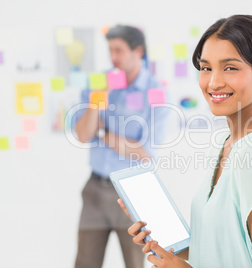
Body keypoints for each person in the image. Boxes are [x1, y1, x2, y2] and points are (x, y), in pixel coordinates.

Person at [118, 14, 252, 268]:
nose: (213, 82)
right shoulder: (227, 144)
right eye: (206, 68)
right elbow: (223, 250)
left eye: (230, 67)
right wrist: (165, 242)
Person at [72, 25, 169, 268]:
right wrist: (99, 97)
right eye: (110, 50)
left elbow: (144, 152)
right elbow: (83, 134)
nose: (113, 57)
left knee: (135, 263)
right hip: (94, 190)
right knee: (84, 263)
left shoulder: (156, 92)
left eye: (118, 50)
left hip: (131, 193)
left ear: (137, 51)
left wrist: (102, 132)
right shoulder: (98, 84)